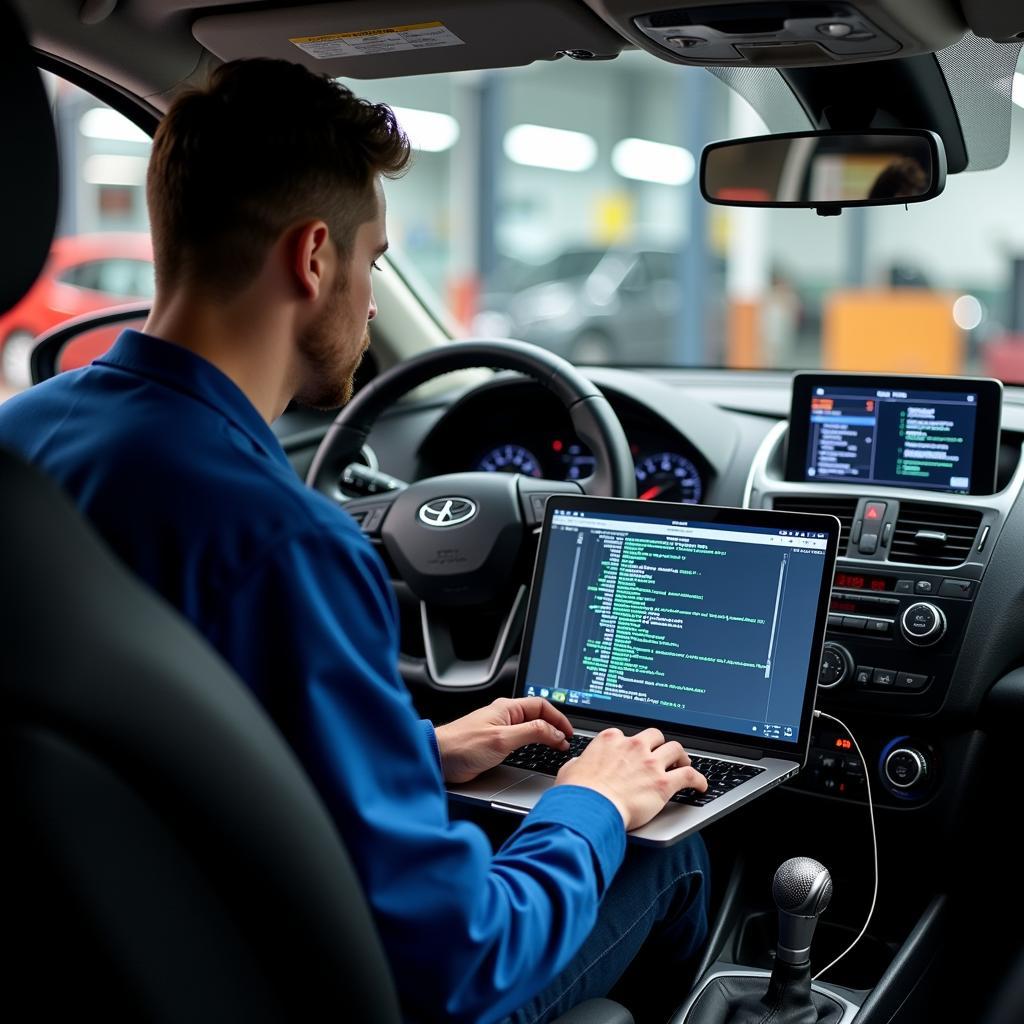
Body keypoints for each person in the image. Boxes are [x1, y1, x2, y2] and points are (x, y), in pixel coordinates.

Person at [0, 59, 709, 1023]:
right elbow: (458, 964)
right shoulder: (287, 547)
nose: (374, 303)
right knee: (674, 847)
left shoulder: (23, 443)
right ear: (314, 258)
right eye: (374, 263)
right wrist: (590, 803)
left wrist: (411, 751)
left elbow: (172, 755)